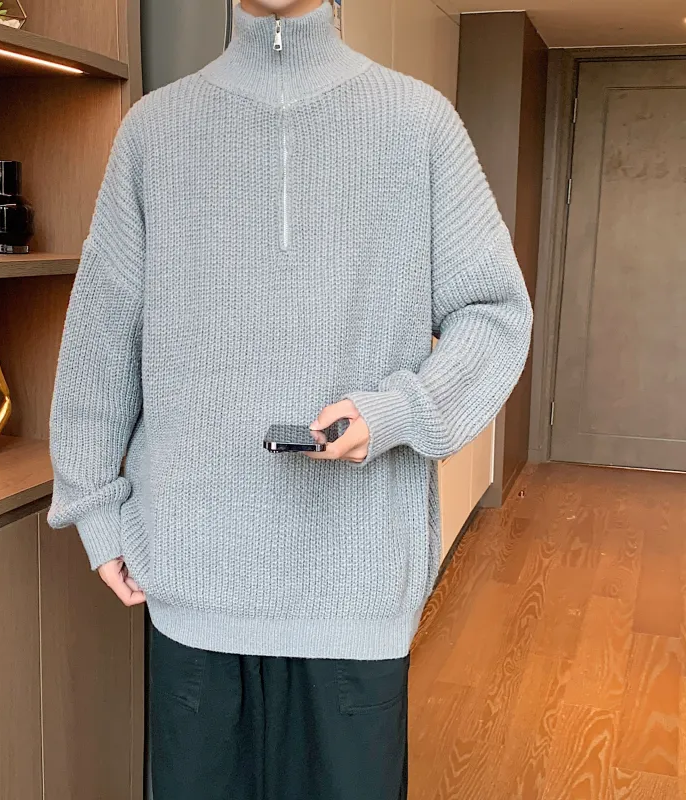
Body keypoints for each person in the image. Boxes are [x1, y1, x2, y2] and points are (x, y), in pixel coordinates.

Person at [47, 0, 533, 796]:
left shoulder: (419, 125)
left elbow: (496, 315)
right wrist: (95, 509)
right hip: (193, 579)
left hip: (356, 584)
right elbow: (101, 339)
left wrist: (396, 411)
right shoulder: (153, 133)